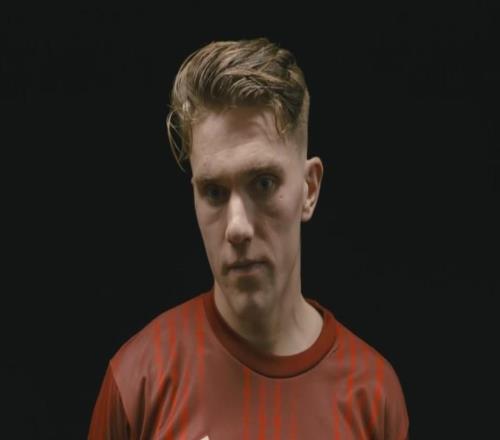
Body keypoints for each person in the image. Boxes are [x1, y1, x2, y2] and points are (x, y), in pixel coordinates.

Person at [88, 37, 410, 439]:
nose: (237, 226)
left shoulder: (374, 394)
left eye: (263, 183)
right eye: (214, 192)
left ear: (309, 189)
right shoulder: (139, 378)